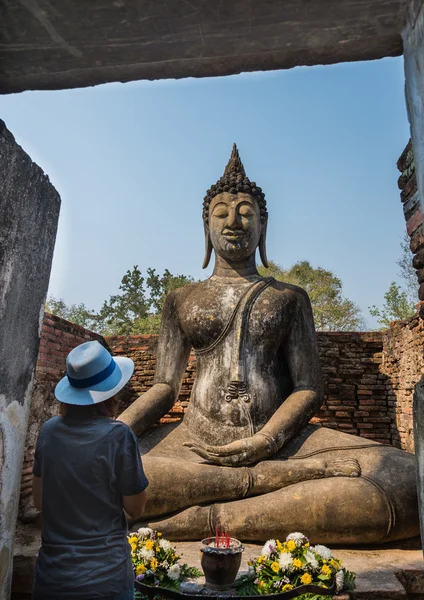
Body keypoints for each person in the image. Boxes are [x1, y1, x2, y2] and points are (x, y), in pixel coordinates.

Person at [32, 340, 148, 600]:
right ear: (111, 393)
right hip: (106, 579)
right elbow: (135, 508)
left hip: (53, 578)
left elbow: (39, 500)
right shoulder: (119, 435)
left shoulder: (49, 431)